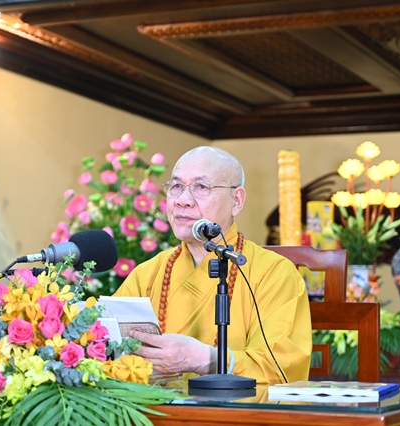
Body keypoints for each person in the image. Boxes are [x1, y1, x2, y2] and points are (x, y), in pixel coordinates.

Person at [113, 146, 312, 384]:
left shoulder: (275, 274)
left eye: (201, 187)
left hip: (234, 408)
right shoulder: (147, 274)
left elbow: (280, 366)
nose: (183, 200)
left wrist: (205, 359)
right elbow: (106, 347)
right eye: (176, 186)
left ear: (236, 201)